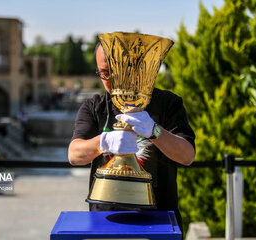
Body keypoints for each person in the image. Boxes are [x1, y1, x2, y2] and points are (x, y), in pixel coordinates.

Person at [68, 43, 196, 231]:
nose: (110, 80)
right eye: (104, 73)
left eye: (116, 72)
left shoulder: (168, 103)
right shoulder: (94, 106)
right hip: (105, 219)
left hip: (158, 219)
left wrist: (154, 131)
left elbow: (187, 156)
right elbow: (74, 155)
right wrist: (105, 141)